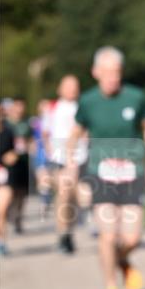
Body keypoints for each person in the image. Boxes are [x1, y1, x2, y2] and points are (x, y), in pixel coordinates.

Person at [66, 47, 145, 289]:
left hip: (132, 171)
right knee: (107, 235)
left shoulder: (136, 97)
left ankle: (122, 261)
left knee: (132, 238)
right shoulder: (88, 101)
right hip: (101, 172)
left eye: (117, 72)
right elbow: (76, 132)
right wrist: (71, 164)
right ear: (95, 72)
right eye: (107, 72)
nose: (112, 78)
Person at [43, 75, 90, 254]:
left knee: (83, 198)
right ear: (60, 89)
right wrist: (50, 151)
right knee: (64, 196)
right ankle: (64, 234)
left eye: (75, 86)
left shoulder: (84, 107)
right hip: (61, 160)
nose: (72, 89)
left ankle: (74, 229)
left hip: (82, 158)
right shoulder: (52, 108)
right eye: (68, 86)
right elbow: (45, 133)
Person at [6, 96, 32, 233]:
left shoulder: (27, 123)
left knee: (22, 193)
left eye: (22, 106)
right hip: (9, 163)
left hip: (23, 161)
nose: (19, 109)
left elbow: (32, 140)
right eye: (17, 106)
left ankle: (18, 218)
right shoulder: (6, 123)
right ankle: (8, 213)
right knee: (9, 192)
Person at [0, 105, 18, 255]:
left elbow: (15, 151)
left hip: (4, 177)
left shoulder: (9, 132)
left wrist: (12, 157)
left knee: (1, 210)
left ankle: (1, 241)